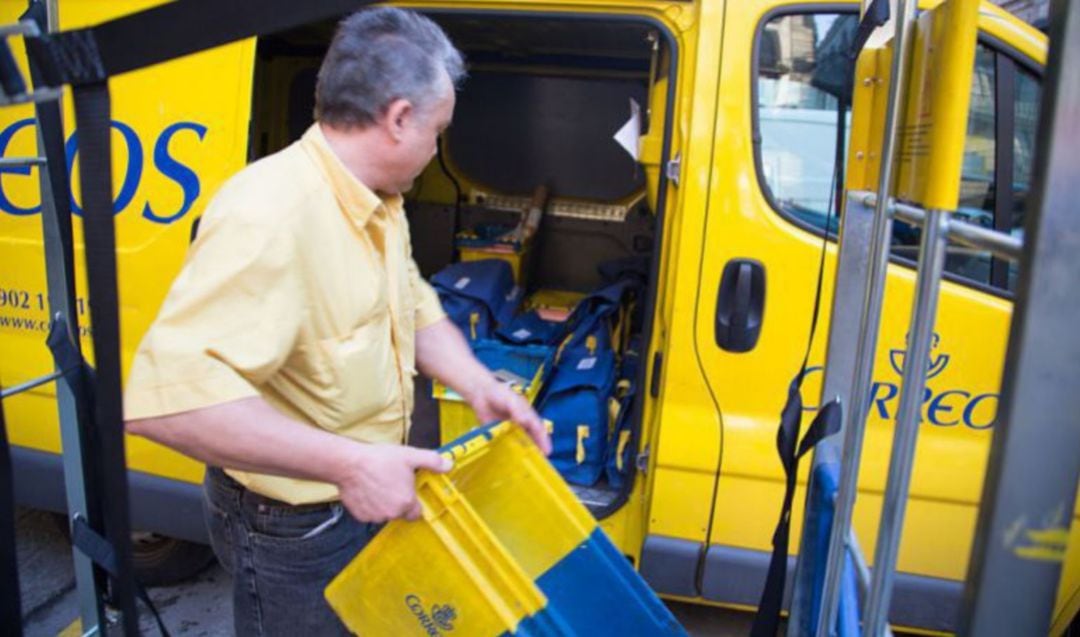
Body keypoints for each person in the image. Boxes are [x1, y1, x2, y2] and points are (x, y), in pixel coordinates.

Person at [124, 8, 549, 635]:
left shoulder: (378, 197)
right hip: (294, 526)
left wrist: (478, 384)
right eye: (438, 131)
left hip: (364, 493)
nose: (436, 151)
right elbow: (168, 405)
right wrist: (351, 465)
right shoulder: (268, 216)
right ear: (400, 117)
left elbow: (409, 297)